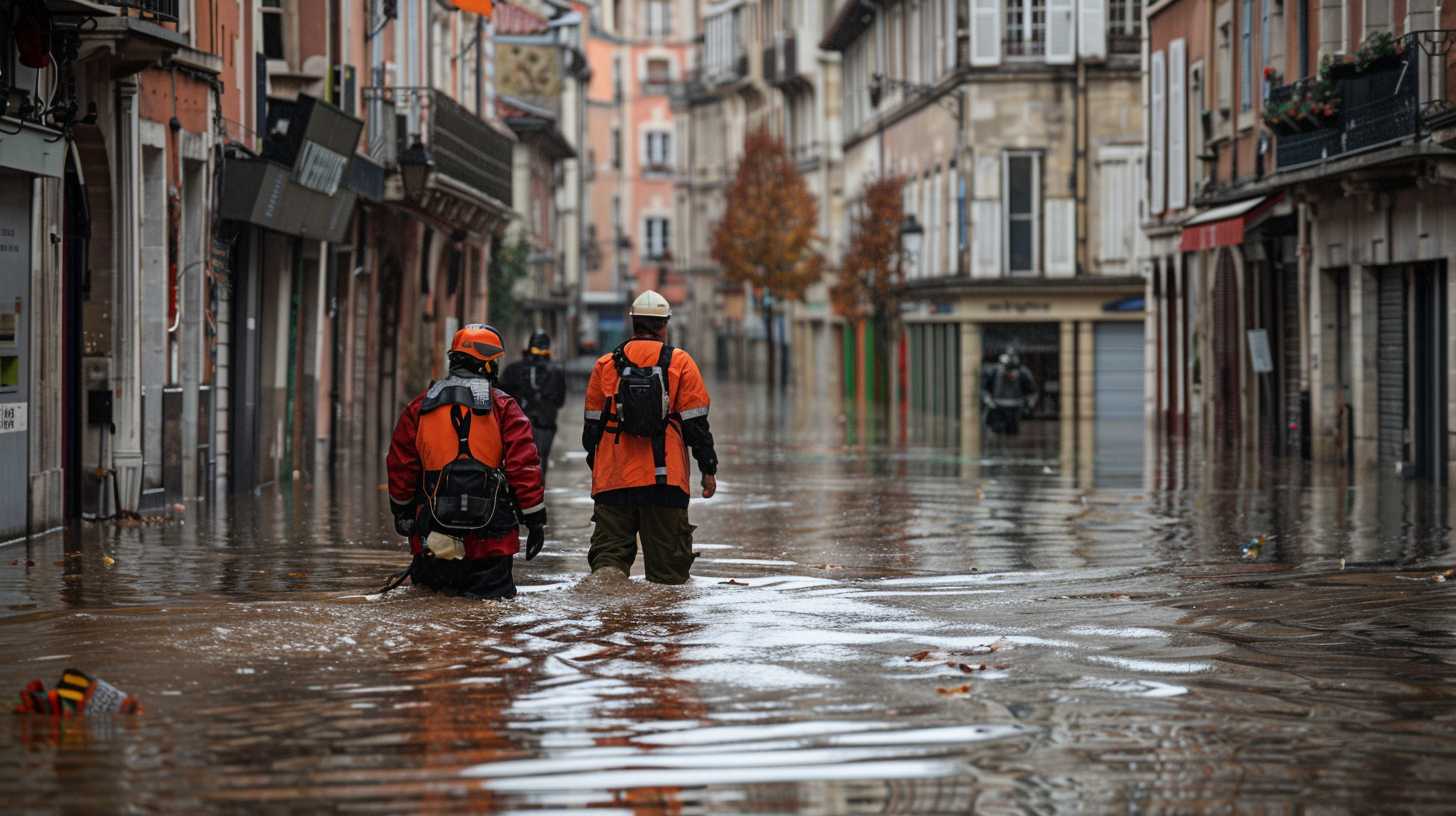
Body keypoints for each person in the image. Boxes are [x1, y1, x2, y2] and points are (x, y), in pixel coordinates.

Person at [386, 324, 547, 599]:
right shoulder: (504, 407)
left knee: (430, 614)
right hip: (491, 543)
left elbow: (401, 466)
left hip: (433, 539)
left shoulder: (419, 407)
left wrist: (401, 513)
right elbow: (524, 467)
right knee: (490, 624)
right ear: (485, 364)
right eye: (493, 362)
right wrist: (534, 521)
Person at [581, 291, 718, 584]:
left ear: (633, 323)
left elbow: (590, 432)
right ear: (664, 325)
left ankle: (608, 611)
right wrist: (708, 470)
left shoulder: (605, 365)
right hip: (664, 483)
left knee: (608, 563)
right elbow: (697, 427)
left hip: (613, 482)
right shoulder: (680, 362)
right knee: (669, 577)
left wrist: (601, 469)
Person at [500, 330, 567, 479]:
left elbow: (501, 397)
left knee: (516, 458)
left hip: (517, 422)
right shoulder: (557, 370)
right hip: (546, 423)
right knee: (541, 458)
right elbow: (560, 401)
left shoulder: (513, 369)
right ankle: (537, 493)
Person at [981, 348, 1038, 435]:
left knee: (1013, 432)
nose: (1010, 373)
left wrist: (1029, 405)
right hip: (997, 406)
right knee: (997, 430)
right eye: (1006, 368)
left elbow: (1032, 392)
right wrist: (988, 401)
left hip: (1016, 407)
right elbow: (984, 389)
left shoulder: (1023, 373)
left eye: (1012, 369)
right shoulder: (994, 372)